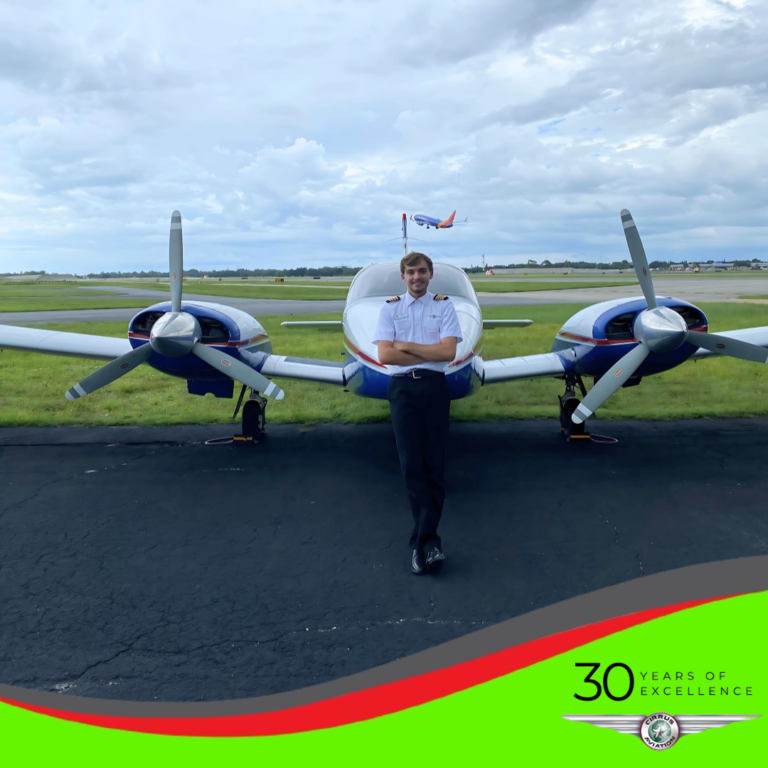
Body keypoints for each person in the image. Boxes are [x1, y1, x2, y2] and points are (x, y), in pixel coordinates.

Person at [373, 252, 463, 575]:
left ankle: (423, 543)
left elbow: (448, 352)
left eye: (422, 271)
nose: (416, 277)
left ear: (430, 274)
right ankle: (427, 544)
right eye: (410, 272)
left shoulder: (444, 306)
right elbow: (385, 355)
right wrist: (427, 353)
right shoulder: (389, 308)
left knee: (434, 467)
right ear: (403, 276)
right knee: (411, 466)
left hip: (435, 388)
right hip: (402, 391)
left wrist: (406, 346)